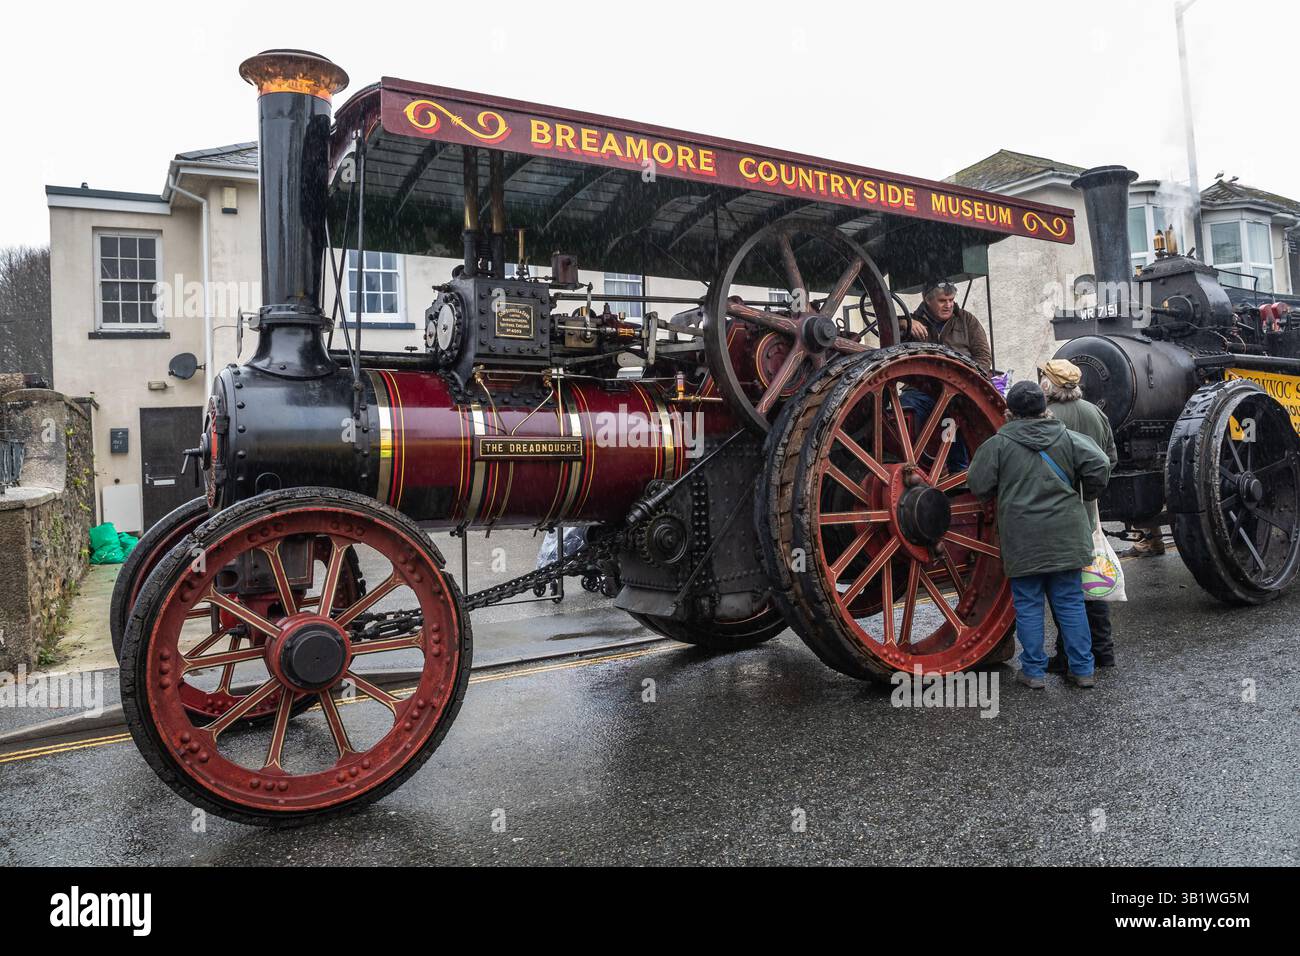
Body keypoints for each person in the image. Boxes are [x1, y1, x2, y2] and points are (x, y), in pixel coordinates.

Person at [968, 380, 1111, 689]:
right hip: (1067, 535)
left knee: (1029, 604)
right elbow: (1100, 463)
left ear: (1009, 414)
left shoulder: (998, 445)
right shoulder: (1069, 439)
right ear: (1045, 409)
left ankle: (1033, 672)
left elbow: (977, 483)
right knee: (1071, 602)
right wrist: (1085, 492)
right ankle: (1083, 669)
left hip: (1022, 537)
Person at [1039, 360, 1119, 670]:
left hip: (1056, 509)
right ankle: (1104, 650)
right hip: (1089, 508)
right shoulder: (1094, 413)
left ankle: (1067, 654)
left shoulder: (1046, 417)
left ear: (1049, 385)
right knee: (1093, 580)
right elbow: (1110, 458)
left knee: (1064, 587)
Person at [899, 280, 993, 471]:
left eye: (951, 300)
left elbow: (983, 357)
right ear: (927, 300)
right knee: (904, 409)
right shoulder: (911, 323)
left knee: (952, 420)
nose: (949, 305)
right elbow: (890, 347)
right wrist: (902, 322)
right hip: (921, 390)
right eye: (943, 300)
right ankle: (912, 461)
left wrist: (969, 384)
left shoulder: (967, 321)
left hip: (958, 390)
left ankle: (958, 470)